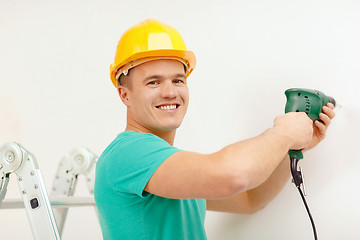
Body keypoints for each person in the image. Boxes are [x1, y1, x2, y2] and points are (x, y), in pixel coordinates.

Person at [94, 19, 335, 240]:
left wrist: (293, 146)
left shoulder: (168, 165)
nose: (170, 91)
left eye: (178, 80)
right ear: (125, 94)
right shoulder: (128, 153)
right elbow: (233, 175)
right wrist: (284, 133)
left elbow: (251, 199)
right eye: (153, 82)